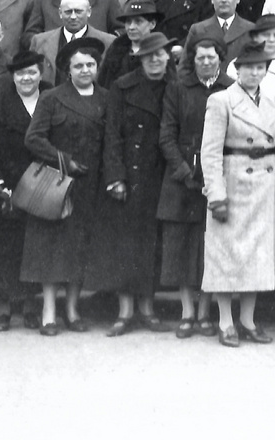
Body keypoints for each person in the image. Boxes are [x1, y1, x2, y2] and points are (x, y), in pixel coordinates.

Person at [21, 39, 114, 335]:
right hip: (58, 184)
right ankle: (49, 311)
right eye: (78, 65)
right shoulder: (52, 98)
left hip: (92, 185)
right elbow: (33, 138)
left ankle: (72, 309)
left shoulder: (107, 99)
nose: (85, 70)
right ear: (67, 70)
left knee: (80, 249)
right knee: (51, 249)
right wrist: (65, 160)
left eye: (90, 65)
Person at [201, 45, 275, 348]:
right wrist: (216, 193)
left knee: (257, 256)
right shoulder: (221, 100)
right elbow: (210, 152)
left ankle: (248, 320)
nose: (255, 72)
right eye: (249, 67)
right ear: (236, 70)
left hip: (264, 189)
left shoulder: (272, 103)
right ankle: (226, 321)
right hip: (233, 183)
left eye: (261, 67)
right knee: (227, 254)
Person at [93, 33, 174, 335]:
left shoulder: (174, 88)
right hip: (130, 175)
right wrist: (115, 176)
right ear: (140, 59)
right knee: (125, 246)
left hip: (160, 175)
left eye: (160, 54)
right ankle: (125, 312)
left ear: (168, 57)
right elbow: (111, 134)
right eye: (149, 55)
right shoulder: (123, 86)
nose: (155, 60)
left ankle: (148, 310)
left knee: (152, 246)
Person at [158, 37, 230, 338]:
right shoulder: (179, 87)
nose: (205, 63)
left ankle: (205, 312)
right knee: (183, 248)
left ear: (220, 59)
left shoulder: (229, 88)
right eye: (200, 58)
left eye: (211, 58)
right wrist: (183, 170)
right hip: (182, 176)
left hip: (218, 176)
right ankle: (187, 311)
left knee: (209, 248)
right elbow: (166, 135)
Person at [0, 51, 47, 330]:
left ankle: (31, 307)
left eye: (31, 72)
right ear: (13, 76)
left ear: (41, 74)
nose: (26, 78)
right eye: (20, 74)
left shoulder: (51, 97)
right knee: (6, 248)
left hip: (43, 183)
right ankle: (4, 309)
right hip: (8, 184)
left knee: (35, 246)